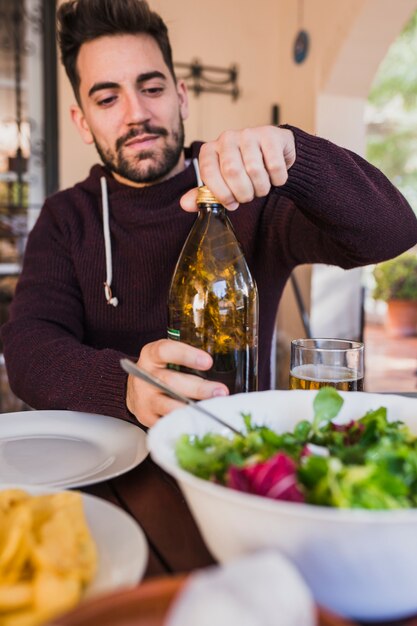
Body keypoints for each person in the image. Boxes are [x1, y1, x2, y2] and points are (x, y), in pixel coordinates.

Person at [2, 0, 417, 429]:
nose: (136, 114)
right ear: (83, 122)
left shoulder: (249, 192)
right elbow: (28, 346)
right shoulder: (66, 217)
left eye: (152, 88)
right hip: (113, 464)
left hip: (236, 452)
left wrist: (296, 157)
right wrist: (123, 386)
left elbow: (393, 231)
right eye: (107, 99)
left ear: (181, 97)